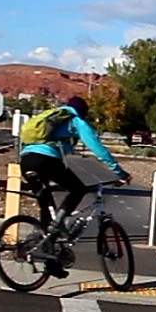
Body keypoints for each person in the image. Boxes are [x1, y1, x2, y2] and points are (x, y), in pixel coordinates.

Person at [19, 96, 131, 277]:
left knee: (46, 210)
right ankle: (58, 225)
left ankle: (51, 260)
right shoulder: (76, 121)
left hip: (26, 161)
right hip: (46, 160)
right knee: (78, 189)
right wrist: (120, 173)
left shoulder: (52, 117)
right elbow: (99, 150)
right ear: (83, 112)